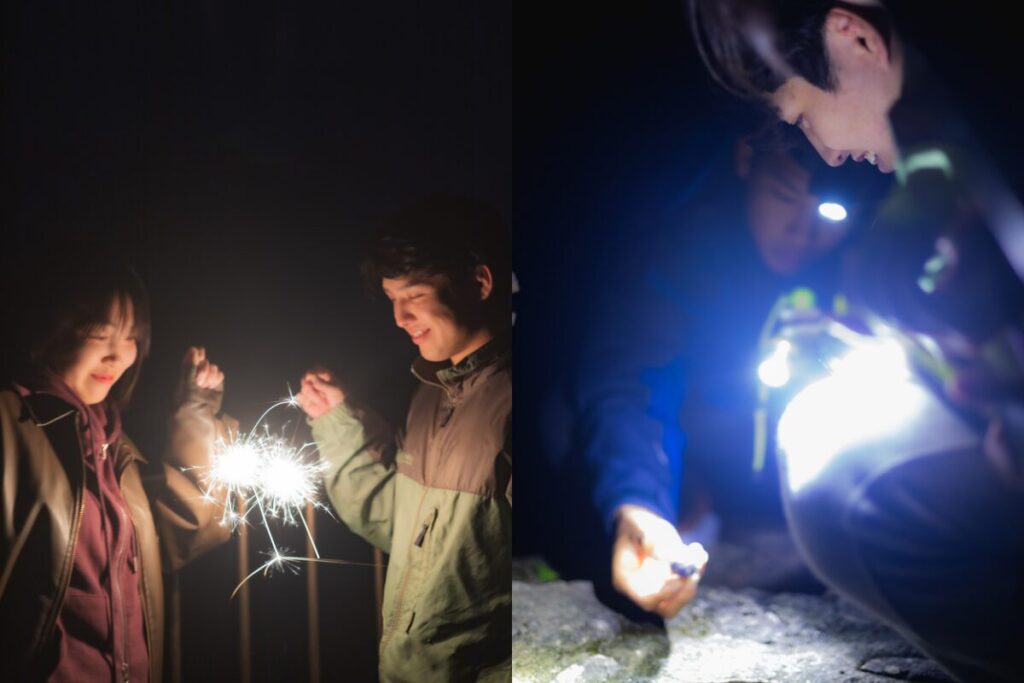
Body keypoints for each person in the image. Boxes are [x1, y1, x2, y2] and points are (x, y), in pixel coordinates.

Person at [688, 2, 1024, 681]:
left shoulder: (980, 142)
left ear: (853, 35)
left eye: (805, 116)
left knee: (835, 466)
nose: (828, 153)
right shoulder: (947, 125)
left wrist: (996, 399)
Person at [523, 127, 886, 624]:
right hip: (670, 458)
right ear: (744, 160)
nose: (801, 232)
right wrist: (640, 504)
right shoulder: (682, 248)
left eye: (827, 214)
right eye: (783, 197)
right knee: (573, 421)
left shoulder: (868, 262)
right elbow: (630, 379)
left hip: (773, 483)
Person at [297, 195, 512, 682]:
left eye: (413, 296)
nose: (399, 317)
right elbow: (396, 521)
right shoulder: (431, 395)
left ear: (478, 282)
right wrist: (335, 421)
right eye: (393, 299)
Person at [0, 255, 234, 682]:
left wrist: (196, 413)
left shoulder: (112, 444)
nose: (118, 355)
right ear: (49, 331)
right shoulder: (11, 427)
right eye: (99, 334)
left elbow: (171, 539)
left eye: (130, 338)